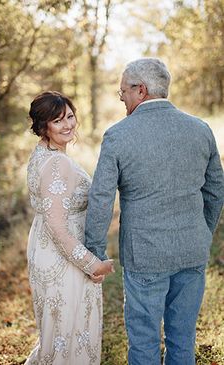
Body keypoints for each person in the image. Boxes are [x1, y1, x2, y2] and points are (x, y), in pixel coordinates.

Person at [85, 58, 224, 365]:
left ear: (141, 90)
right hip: (192, 251)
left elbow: (101, 199)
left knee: (145, 343)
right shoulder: (200, 129)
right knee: (183, 340)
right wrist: (202, 232)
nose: (121, 97)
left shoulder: (118, 136)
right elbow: (216, 189)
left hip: (145, 256)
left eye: (123, 91)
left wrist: (93, 252)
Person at [25, 91, 114, 365]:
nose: (68, 125)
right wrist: (92, 264)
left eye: (70, 117)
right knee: (69, 335)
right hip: (62, 259)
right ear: (43, 126)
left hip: (46, 248)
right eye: (57, 121)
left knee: (58, 335)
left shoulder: (42, 152)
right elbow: (56, 226)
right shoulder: (57, 163)